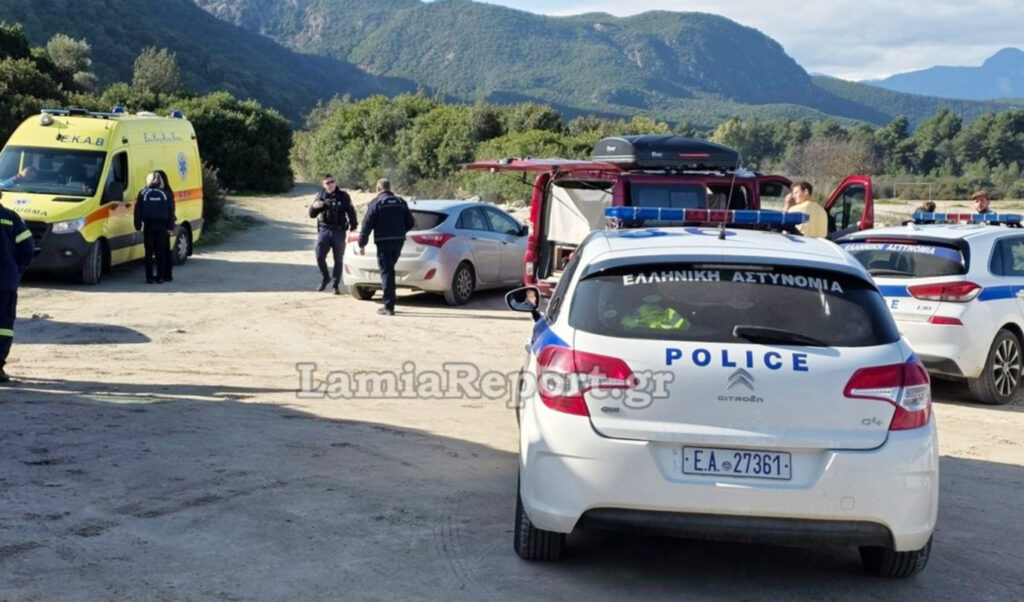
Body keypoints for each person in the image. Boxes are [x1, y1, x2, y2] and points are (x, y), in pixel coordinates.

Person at [358, 178, 414, 315]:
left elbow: (367, 224)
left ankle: (389, 306)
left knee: (387, 272)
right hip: (398, 242)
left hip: (383, 242)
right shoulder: (401, 202)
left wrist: (362, 243)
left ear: (378, 189)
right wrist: (400, 232)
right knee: (389, 271)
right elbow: (411, 222)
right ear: (389, 188)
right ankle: (389, 301)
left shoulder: (376, 202)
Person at [0, 191, 35, 383]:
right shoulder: (12, 218)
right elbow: (28, 249)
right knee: (3, 326)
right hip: (5, 281)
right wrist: (16, 270)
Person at [309, 174, 357, 294]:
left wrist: (353, 226)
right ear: (323, 185)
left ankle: (335, 285)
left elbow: (351, 212)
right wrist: (314, 207)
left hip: (339, 231)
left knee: (338, 259)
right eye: (327, 183)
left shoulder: (344, 196)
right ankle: (326, 277)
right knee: (319, 256)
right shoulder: (320, 196)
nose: (330, 184)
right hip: (324, 230)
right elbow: (312, 215)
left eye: (332, 182)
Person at [134, 172, 175, 284]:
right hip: (162, 226)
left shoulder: (143, 193)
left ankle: (149, 277)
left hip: (149, 225)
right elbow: (171, 211)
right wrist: (171, 227)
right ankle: (160, 277)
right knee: (160, 252)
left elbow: (138, 211)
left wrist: (137, 225)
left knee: (148, 252)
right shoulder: (166, 194)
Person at [155, 170, 177, 282]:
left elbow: (171, 211)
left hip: (164, 225)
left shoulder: (165, 193)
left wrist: (170, 227)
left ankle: (166, 274)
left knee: (164, 251)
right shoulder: (167, 191)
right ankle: (166, 274)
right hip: (166, 225)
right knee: (165, 250)